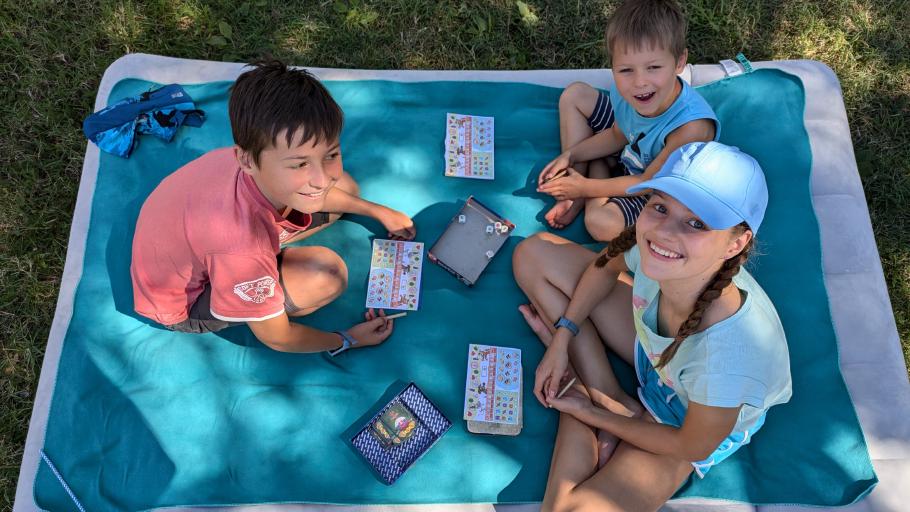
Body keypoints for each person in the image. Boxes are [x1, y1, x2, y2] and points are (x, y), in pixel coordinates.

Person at [513, 142, 792, 511]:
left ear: (735, 244)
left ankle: (586, 391)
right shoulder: (656, 251)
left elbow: (692, 445)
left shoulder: (729, 362)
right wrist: (562, 338)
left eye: (696, 223)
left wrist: (586, 413)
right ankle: (607, 393)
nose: (663, 232)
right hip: (653, 354)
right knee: (532, 254)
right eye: (660, 206)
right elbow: (607, 265)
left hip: (684, 421)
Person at [131, 59, 416, 354]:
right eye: (300, 164)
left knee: (345, 187)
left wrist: (376, 210)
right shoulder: (241, 251)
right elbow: (279, 338)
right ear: (247, 160)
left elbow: (323, 186)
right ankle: (253, 302)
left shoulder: (253, 158)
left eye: (330, 155)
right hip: (183, 301)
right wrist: (348, 339)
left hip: (195, 237)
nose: (321, 179)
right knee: (327, 275)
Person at [537, 0, 719, 242]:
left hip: (654, 187)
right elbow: (617, 135)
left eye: (653, 67)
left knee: (602, 225)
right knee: (575, 95)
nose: (639, 82)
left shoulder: (691, 127)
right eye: (625, 70)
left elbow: (646, 182)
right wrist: (572, 155)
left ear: (679, 62)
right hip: (631, 153)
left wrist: (587, 187)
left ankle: (589, 180)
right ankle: (576, 184)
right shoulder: (631, 94)